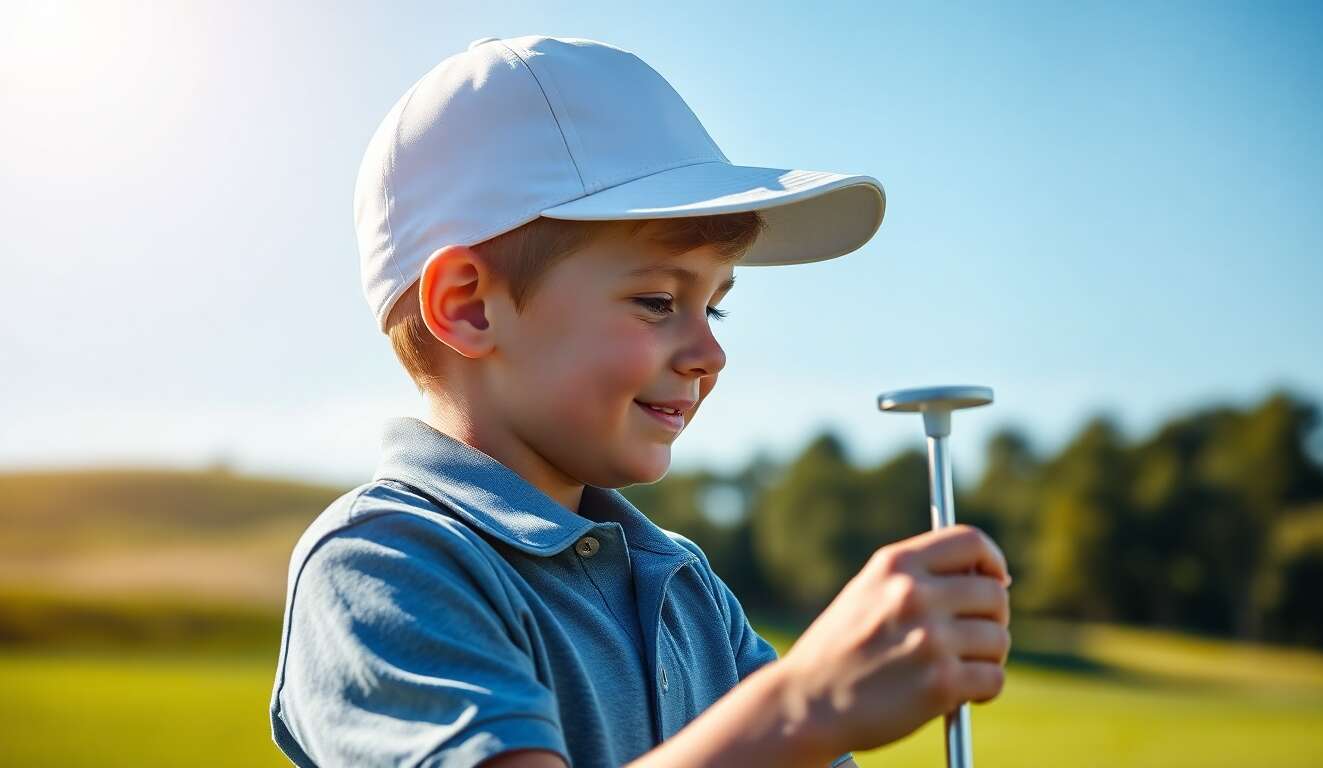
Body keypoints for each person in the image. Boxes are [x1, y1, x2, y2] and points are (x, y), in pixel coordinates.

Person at [267, 34, 1012, 768]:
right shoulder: (383, 564)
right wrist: (799, 708)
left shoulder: (687, 591)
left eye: (715, 307)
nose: (710, 354)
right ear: (468, 307)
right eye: (658, 301)